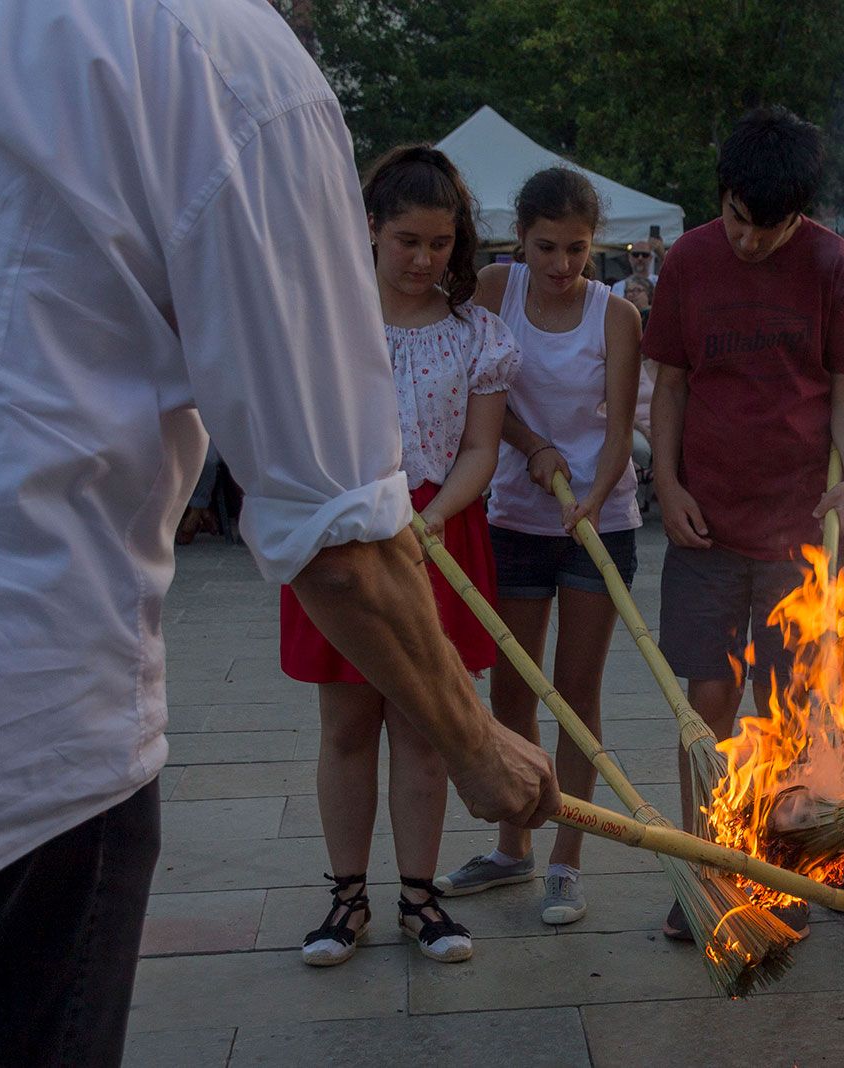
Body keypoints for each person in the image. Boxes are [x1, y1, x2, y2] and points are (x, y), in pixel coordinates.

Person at [0, 3, 557, 1063]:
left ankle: (415, 892)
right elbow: (335, 525)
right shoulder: (219, 56)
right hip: (27, 736)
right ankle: (353, 891)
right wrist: (481, 746)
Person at [281, 145, 520, 966]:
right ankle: (347, 899)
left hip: (440, 533)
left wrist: (436, 517)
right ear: (371, 231)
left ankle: (422, 899)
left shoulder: (477, 335)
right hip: (343, 530)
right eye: (407, 241)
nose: (423, 260)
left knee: (428, 724)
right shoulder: (326, 324)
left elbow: (482, 449)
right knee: (347, 723)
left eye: (441, 244)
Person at [645, 106, 844, 941]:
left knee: (784, 710)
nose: (747, 241)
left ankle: (769, 870)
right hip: (703, 525)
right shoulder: (690, 259)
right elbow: (669, 383)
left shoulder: (832, 263)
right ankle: (705, 870)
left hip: (798, 535)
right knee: (704, 703)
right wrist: (665, 483)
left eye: (767, 229)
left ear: (801, 215)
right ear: (723, 198)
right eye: (737, 219)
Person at [434, 168, 643, 928]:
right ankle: (513, 845)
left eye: (578, 250)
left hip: (597, 522)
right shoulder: (495, 289)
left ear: (597, 244)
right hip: (516, 517)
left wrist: (593, 494)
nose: (562, 266)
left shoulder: (615, 315)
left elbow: (620, 431)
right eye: (547, 247)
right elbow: (477, 398)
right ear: (519, 239)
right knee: (512, 694)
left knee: (575, 694)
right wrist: (530, 446)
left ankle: (567, 859)